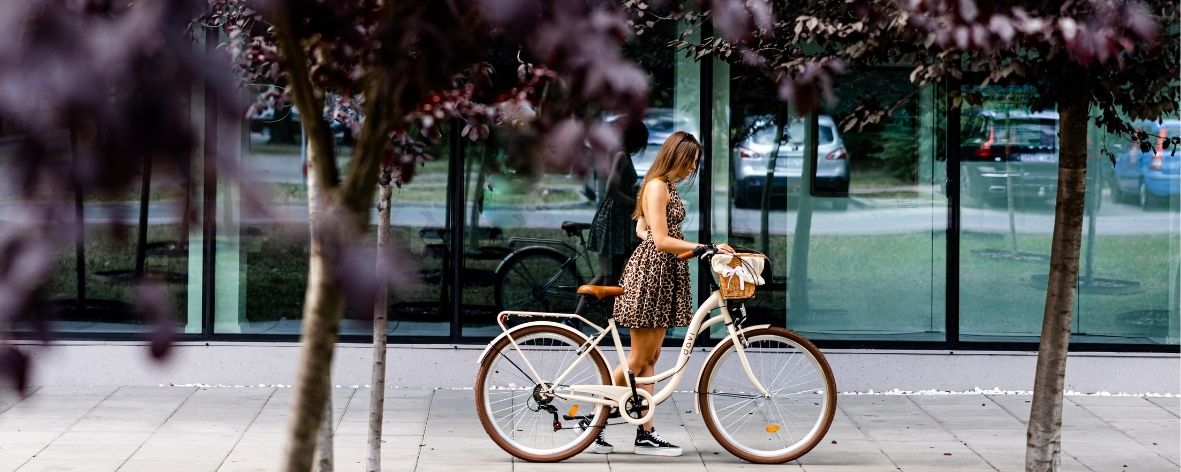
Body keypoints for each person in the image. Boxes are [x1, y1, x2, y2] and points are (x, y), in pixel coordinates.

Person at [590, 131, 734, 456]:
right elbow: (660, 240)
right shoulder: (656, 187)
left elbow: (652, 232)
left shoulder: (665, 186)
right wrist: (704, 246)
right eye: (692, 161)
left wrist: (700, 251)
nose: (693, 167)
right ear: (679, 157)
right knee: (639, 358)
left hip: (665, 274)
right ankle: (594, 423)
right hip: (651, 276)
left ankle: (645, 432)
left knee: (651, 359)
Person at [581, 121, 647, 316]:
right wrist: (635, 202)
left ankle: (598, 316)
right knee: (608, 275)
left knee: (610, 274)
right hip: (615, 219)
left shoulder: (619, 154)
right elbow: (612, 190)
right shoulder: (620, 156)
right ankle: (580, 317)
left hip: (618, 219)